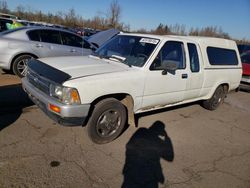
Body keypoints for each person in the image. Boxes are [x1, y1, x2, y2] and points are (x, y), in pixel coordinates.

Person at [122, 121, 174, 188]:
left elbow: (128, 145)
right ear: (160, 131)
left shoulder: (141, 131)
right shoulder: (158, 141)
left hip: (131, 172)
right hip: (148, 176)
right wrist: (167, 138)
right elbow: (170, 158)